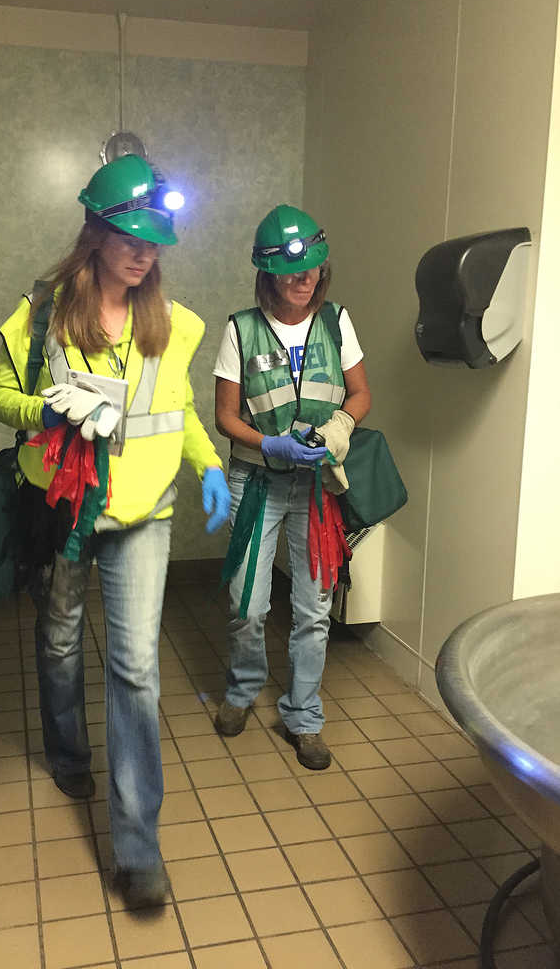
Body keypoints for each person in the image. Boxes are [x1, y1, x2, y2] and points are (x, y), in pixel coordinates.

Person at [0, 153, 230, 907]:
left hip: (143, 518)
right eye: (131, 233)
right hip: (63, 508)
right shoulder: (41, 313)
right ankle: (66, 750)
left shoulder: (177, 324)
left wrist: (209, 463)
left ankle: (137, 847)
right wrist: (45, 410)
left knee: (135, 669)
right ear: (95, 229)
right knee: (59, 642)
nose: (145, 250)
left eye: (157, 238)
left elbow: (181, 408)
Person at [212, 204, 371, 770]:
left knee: (313, 606)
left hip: (316, 487)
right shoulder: (241, 328)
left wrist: (339, 426)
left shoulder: (337, 322)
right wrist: (268, 443)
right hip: (256, 479)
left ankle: (304, 716)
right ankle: (242, 689)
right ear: (268, 272)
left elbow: (360, 394)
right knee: (247, 604)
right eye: (290, 270)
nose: (303, 279)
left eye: (312, 270)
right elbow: (224, 416)